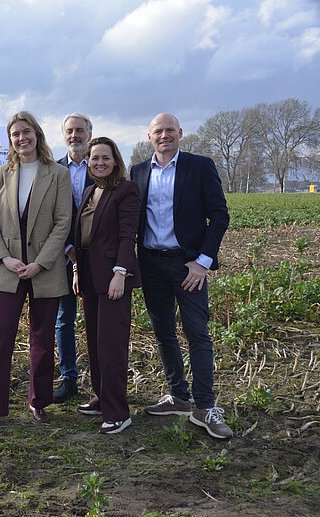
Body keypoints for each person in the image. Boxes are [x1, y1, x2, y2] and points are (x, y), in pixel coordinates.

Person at [130, 113, 233, 439]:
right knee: (163, 332)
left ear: (180, 133)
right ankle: (178, 397)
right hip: (151, 265)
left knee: (197, 333)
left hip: (187, 266)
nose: (164, 135)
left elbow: (219, 215)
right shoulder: (138, 171)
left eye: (170, 130)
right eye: (158, 131)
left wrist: (202, 262)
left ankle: (205, 407)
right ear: (149, 137)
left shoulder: (199, 166)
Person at [0, 111, 72, 430]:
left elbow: (63, 223)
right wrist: (5, 258)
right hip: (9, 270)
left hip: (46, 270)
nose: (21, 138)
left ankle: (39, 401)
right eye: (15, 134)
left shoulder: (58, 174)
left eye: (26, 132)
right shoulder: (1, 174)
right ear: (10, 140)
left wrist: (40, 262)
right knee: (0, 336)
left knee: (42, 339)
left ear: (37, 134)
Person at [71, 137, 140, 434]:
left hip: (113, 277)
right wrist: (77, 270)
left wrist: (120, 273)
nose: (100, 162)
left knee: (112, 345)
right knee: (95, 342)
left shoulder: (126, 190)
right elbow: (82, 236)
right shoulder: (90, 190)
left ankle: (118, 412)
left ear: (115, 161)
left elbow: (128, 235)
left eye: (106, 158)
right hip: (89, 275)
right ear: (88, 161)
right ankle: (101, 398)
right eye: (95, 158)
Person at [53, 113, 94, 404]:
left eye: (80, 130)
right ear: (64, 135)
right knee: (63, 319)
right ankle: (69, 379)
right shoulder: (53, 170)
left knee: (98, 320)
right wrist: (68, 248)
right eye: (69, 131)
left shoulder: (103, 165)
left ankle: (101, 381)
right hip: (63, 256)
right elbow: (49, 215)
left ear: (89, 133)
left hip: (98, 257)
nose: (74, 135)